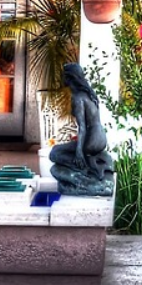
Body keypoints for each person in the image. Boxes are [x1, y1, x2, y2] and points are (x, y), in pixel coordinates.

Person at [48, 62, 114, 197]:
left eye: (63, 76)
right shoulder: (89, 95)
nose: (62, 79)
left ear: (69, 77)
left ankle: (84, 176)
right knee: (58, 160)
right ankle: (88, 167)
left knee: (54, 153)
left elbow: (82, 127)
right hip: (101, 137)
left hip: (92, 139)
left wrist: (79, 152)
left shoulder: (77, 98)